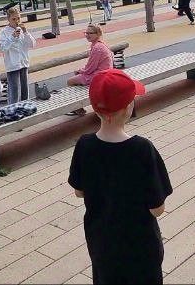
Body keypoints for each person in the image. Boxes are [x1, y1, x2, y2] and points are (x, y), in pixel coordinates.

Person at [69, 68, 172, 285]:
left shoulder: (84, 145)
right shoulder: (142, 149)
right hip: (141, 247)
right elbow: (157, 209)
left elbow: (79, 192)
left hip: (102, 245)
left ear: (94, 107)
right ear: (128, 107)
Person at [0, 8, 36, 104]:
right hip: (13, 65)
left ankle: (26, 107)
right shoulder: (4, 32)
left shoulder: (23, 31)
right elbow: (2, 48)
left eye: (18, 18)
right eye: (13, 19)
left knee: (25, 91)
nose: (17, 21)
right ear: (8, 19)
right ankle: (13, 108)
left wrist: (26, 32)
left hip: (24, 64)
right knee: (14, 92)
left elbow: (32, 44)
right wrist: (12, 37)